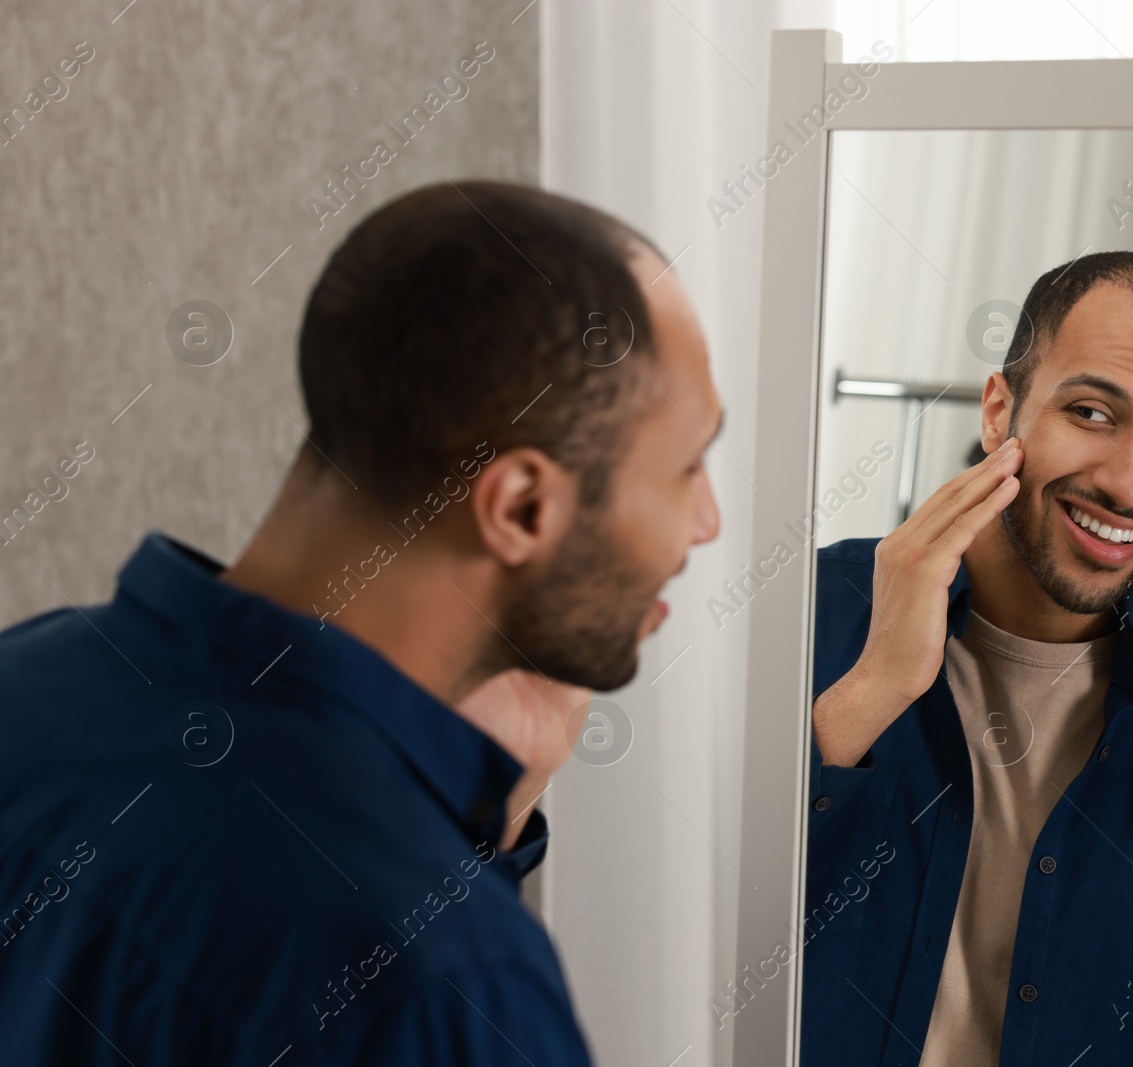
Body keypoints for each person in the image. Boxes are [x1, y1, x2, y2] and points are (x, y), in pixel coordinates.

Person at [0, 181, 722, 1065]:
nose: (707, 522)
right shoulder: (446, 980)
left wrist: (474, 827)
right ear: (523, 507)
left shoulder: (26, 676)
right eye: (690, 466)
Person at [802, 252, 1133, 1066]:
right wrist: (873, 689)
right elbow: (668, 936)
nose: (1130, 483)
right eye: (1091, 412)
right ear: (998, 411)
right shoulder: (798, 624)